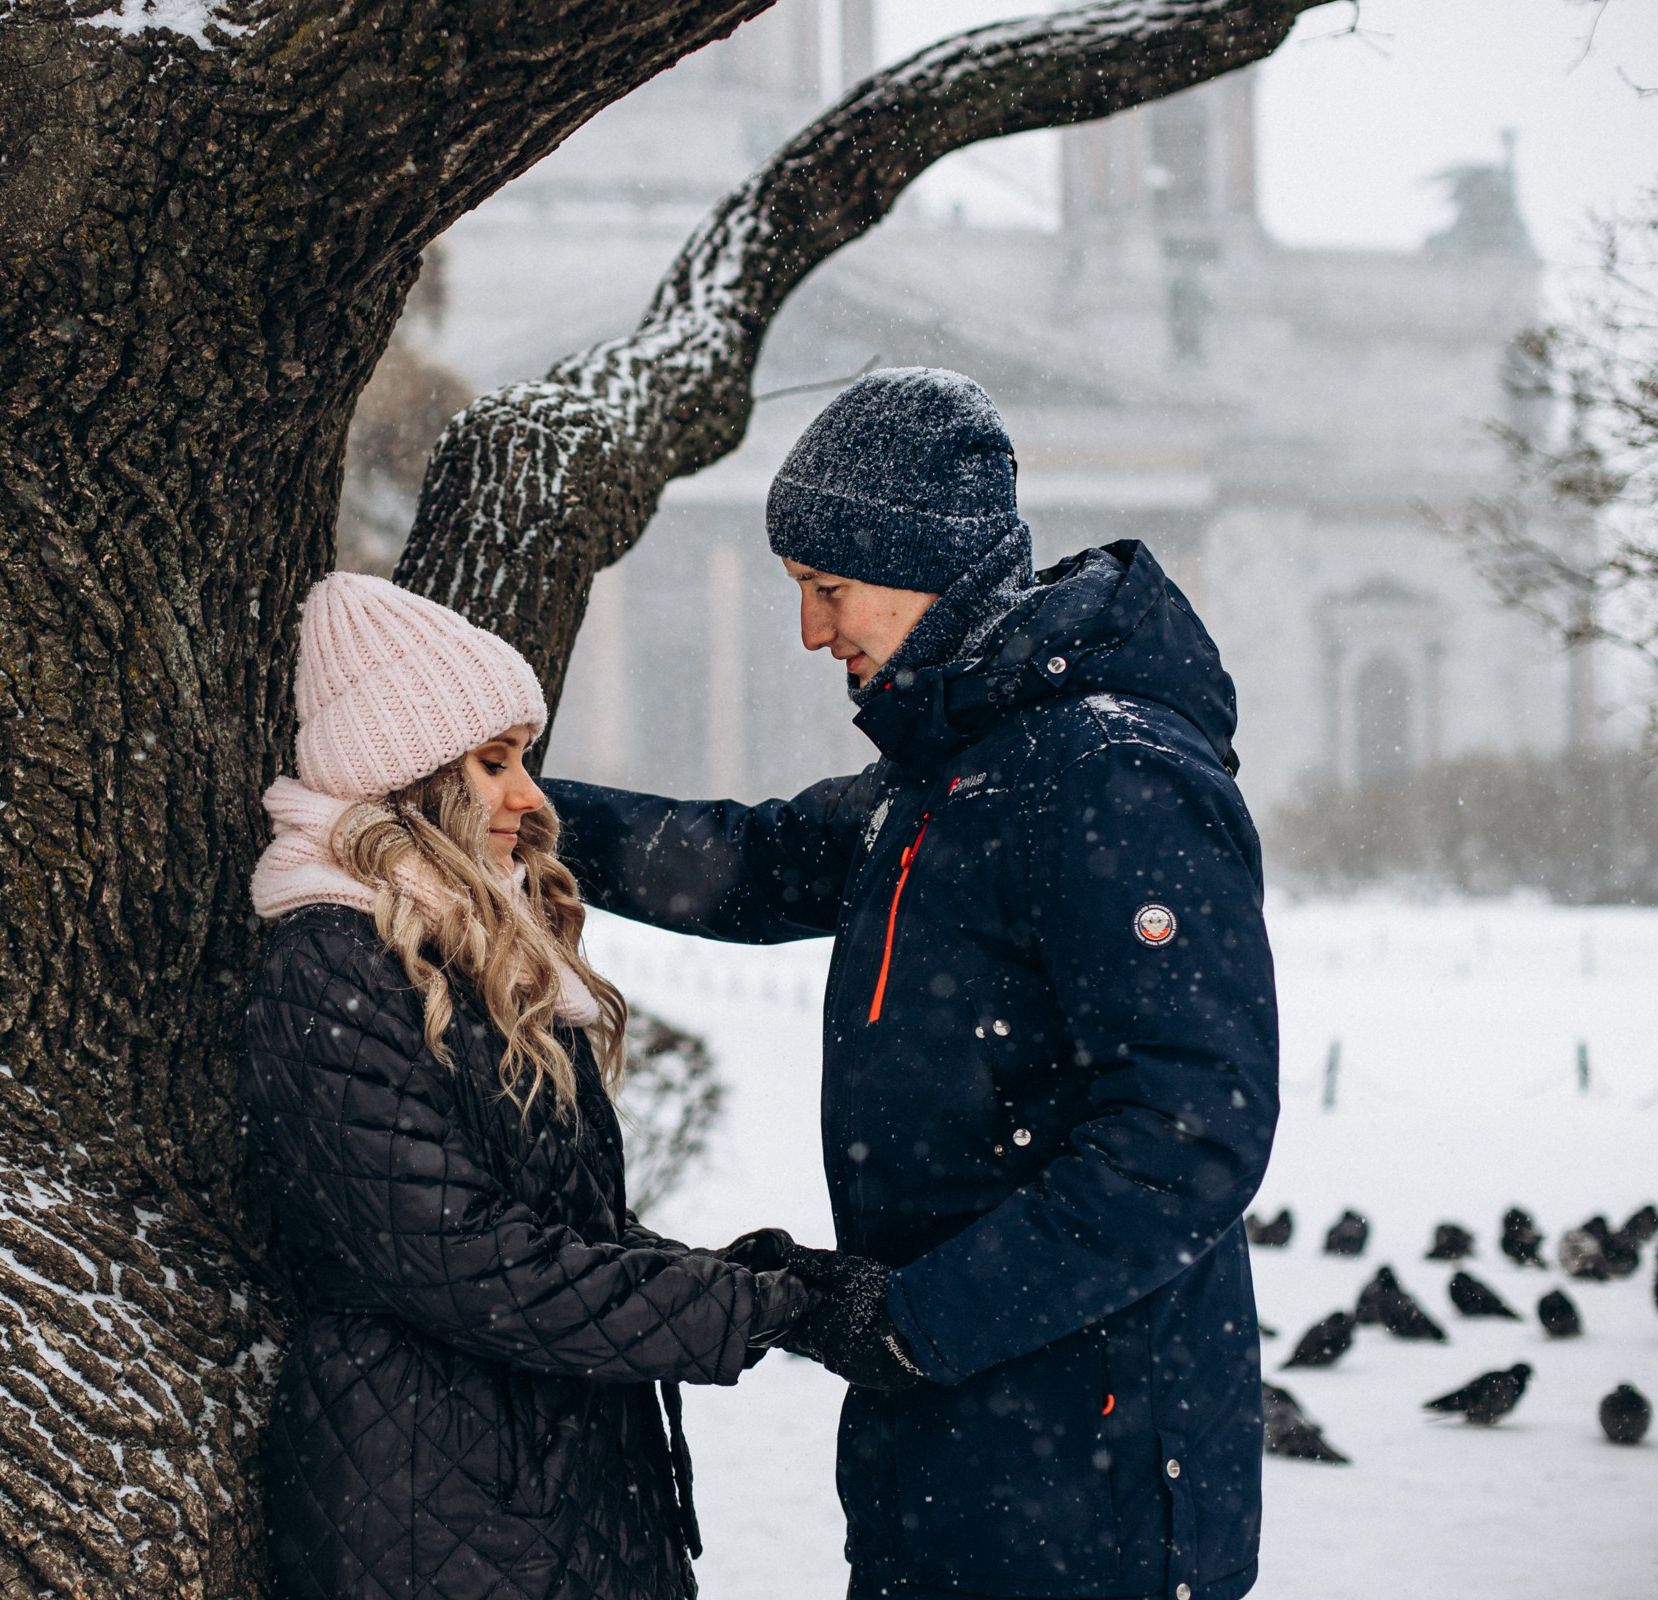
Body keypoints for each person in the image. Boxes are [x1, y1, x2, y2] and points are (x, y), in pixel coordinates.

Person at [542, 368, 1281, 1600]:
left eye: (827, 591)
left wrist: (917, 1318)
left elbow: (1187, 1138)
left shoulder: (1108, 777)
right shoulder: (950, 776)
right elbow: (748, 862)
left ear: (923, 564)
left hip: (1089, 1469)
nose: (811, 633)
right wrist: (520, 819)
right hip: (955, 1444)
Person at [238, 572, 808, 1600]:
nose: (533, 799)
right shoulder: (331, 960)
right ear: (408, 778)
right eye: (493, 764)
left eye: (525, 762)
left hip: (555, 1485)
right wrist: (737, 1309)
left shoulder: (472, 957)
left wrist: (767, 1286)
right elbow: (464, 1259)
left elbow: (565, 1230)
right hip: (436, 1508)